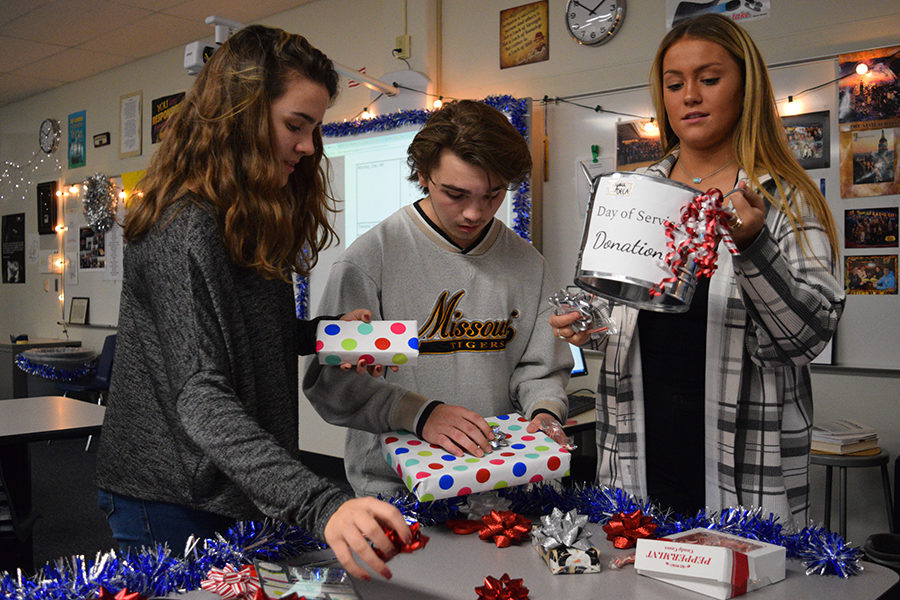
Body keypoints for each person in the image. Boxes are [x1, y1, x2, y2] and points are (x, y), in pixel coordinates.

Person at [94, 25, 410, 580]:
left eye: (314, 129)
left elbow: (241, 335)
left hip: (236, 484)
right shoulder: (181, 225)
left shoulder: (242, 216)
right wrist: (322, 504)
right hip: (171, 496)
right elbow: (199, 390)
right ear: (240, 114)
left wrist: (323, 334)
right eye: (295, 125)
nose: (309, 146)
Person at [550, 14, 843, 524]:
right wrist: (586, 324)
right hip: (637, 466)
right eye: (674, 83)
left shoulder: (787, 198)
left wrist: (752, 246)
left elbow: (806, 339)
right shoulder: (635, 194)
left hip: (743, 474)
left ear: (745, 87)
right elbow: (615, 320)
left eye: (709, 79)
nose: (690, 95)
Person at [304, 100, 572, 498]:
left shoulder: (527, 264)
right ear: (424, 174)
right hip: (397, 492)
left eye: (493, 195)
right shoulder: (369, 259)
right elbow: (330, 385)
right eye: (455, 193)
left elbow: (539, 370)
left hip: (506, 485)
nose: (474, 213)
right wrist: (419, 414)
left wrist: (545, 410)